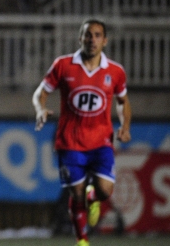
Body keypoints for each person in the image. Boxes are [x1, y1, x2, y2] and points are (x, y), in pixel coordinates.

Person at [32, 19, 132, 246]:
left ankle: (93, 198)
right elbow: (41, 93)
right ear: (80, 39)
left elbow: (123, 101)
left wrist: (125, 126)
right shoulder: (63, 65)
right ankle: (82, 240)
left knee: (105, 191)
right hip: (70, 141)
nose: (92, 40)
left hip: (101, 141)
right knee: (75, 195)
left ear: (105, 41)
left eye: (97, 35)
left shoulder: (115, 71)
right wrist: (40, 109)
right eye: (88, 35)